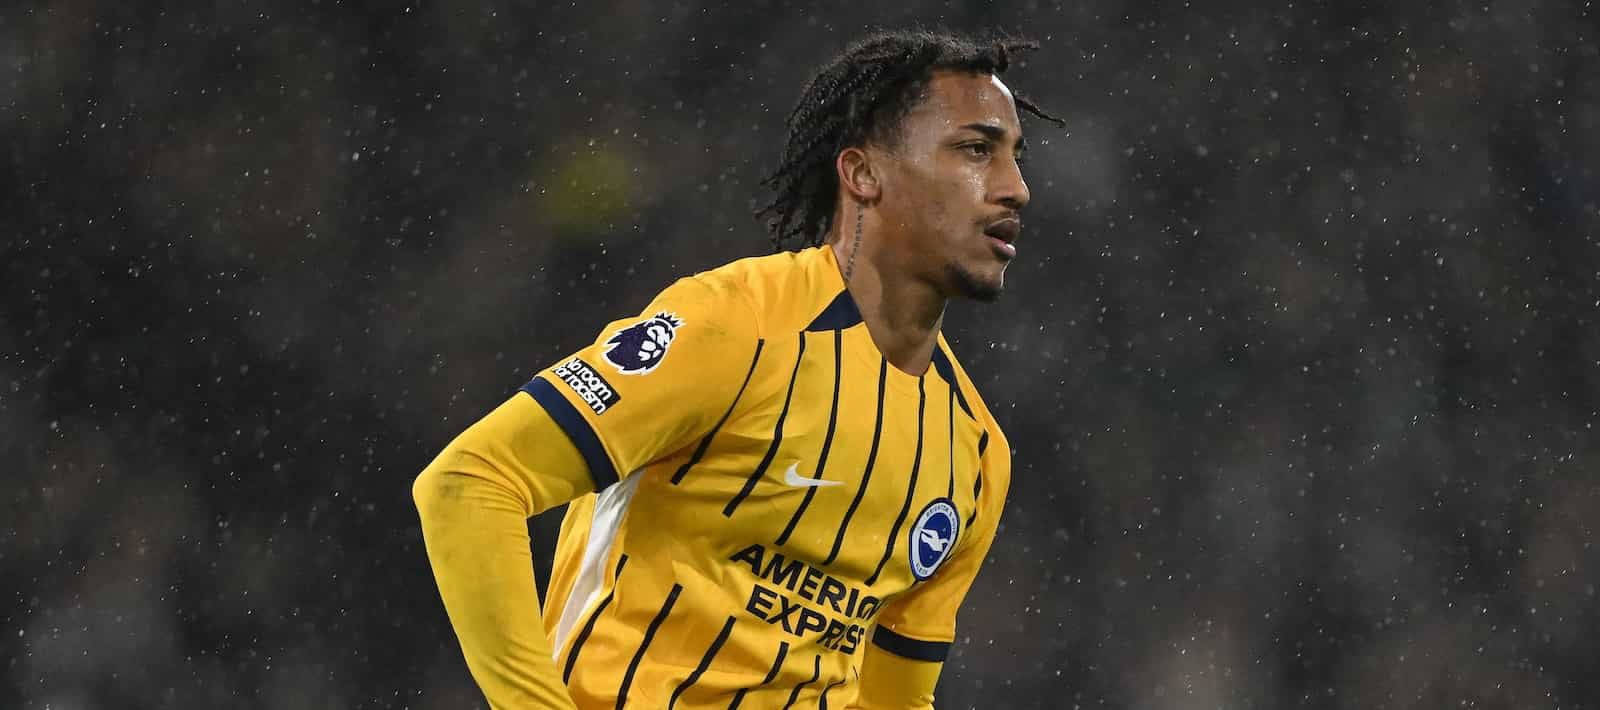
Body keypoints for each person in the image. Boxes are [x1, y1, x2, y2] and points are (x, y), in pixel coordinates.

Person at [413, 29, 1061, 709]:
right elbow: (471, 482)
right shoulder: (735, 328)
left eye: (1015, 158)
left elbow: (892, 701)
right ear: (863, 174)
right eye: (976, 150)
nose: (1015, 189)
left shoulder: (975, 454)